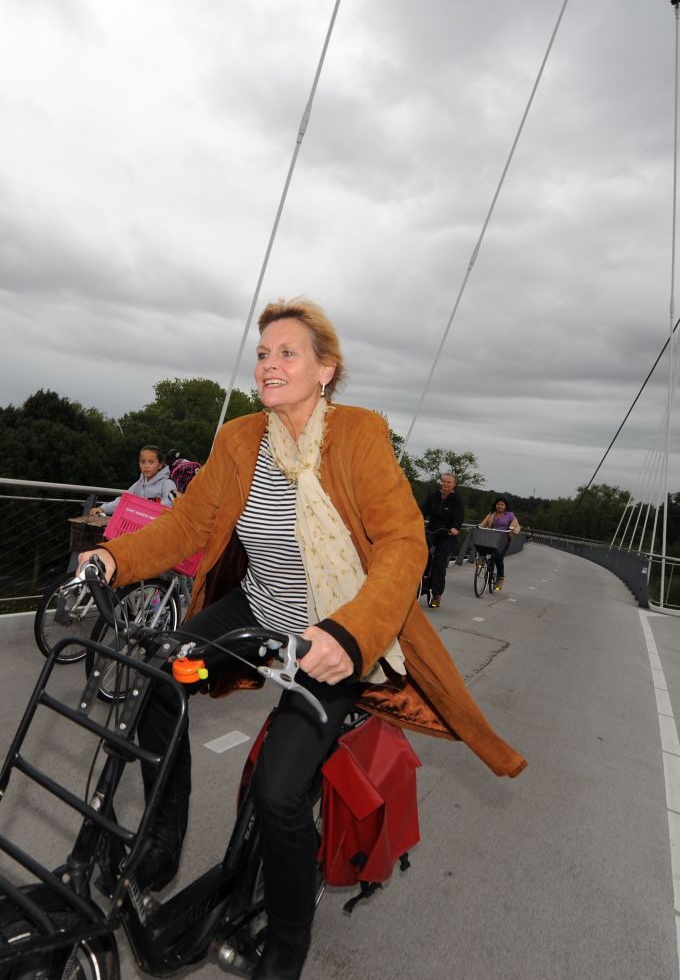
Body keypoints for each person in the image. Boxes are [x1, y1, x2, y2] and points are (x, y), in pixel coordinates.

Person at [76, 298, 526, 979]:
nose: (269, 364)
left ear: (325, 370)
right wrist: (117, 558)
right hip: (254, 612)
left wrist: (350, 634)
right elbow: (187, 528)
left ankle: (288, 943)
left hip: (332, 635)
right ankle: (162, 843)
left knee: (278, 791)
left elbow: (403, 545)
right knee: (162, 680)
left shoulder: (360, 436)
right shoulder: (241, 441)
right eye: (263, 353)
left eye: (287, 352)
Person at [90, 445, 178, 517]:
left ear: (160, 465)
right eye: (142, 462)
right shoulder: (139, 485)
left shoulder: (167, 484)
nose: (146, 466)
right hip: (140, 530)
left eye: (151, 462)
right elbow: (123, 500)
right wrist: (103, 508)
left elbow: (167, 508)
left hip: (158, 532)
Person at [419, 472, 464, 609]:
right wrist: (416, 521)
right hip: (432, 531)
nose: (446, 484)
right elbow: (422, 512)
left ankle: (437, 594)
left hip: (448, 535)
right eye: (444, 481)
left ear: (454, 484)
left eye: (449, 482)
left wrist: (455, 528)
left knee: (439, 563)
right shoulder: (433, 497)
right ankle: (419, 582)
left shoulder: (456, 500)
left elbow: (459, 517)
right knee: (420, 551)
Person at [477, 497, 522, 591]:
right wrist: (479, 526)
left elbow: (517, 526)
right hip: (492, 537)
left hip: (504, 539)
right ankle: (482, 559)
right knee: (482, 545)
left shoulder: (510, 515)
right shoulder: (491, 514)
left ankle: (500, 578)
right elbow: (483, 524)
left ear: (505, 506)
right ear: (495, 505)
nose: (500, 506)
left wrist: (515, 530)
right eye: (498, 504)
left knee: (498, 557)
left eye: (502, 504)